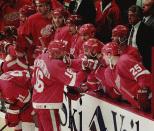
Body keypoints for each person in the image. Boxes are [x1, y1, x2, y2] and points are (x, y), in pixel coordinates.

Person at [32, 40, 88, 131]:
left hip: (38, 103)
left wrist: (81, 63)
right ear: (56, 53)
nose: (65, 53)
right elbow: (75, 81)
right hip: (48, 106)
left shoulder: (41, 57)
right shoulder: (55, 64)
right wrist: (86, 70)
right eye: (62, 52)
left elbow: (65, 62)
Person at [101, 42, 152, 112]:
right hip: (140, 108)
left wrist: (144, 91)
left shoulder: (124, 60)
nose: (103, 57)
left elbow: (143, 75)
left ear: (109, 54)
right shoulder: (109, 72)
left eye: (103, 55)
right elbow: (116, 93)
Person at [128, 5, 154, 71]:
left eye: (132, 15)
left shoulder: (146, 30)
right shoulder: (130, 27)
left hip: (141, 63)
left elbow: (147, 52)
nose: (129, 17)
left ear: (138, 16)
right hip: (129, 60)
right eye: (128, 15)